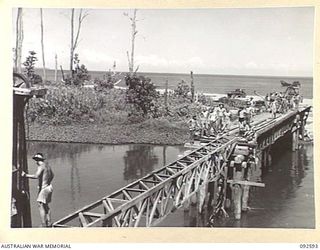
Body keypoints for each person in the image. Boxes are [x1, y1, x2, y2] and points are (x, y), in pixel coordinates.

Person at [22, 153, 54, 227]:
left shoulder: (41, 166)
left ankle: (43, 224)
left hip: (44, 189)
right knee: (46, 205)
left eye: (35, 160)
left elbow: (36, 176)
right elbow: (52, 175)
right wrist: (47, 182)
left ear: (37, 160)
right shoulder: (48, 166)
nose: (35, 162)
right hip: (49, 187)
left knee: (40, 205)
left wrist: (25, 175)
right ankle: (49, 222)